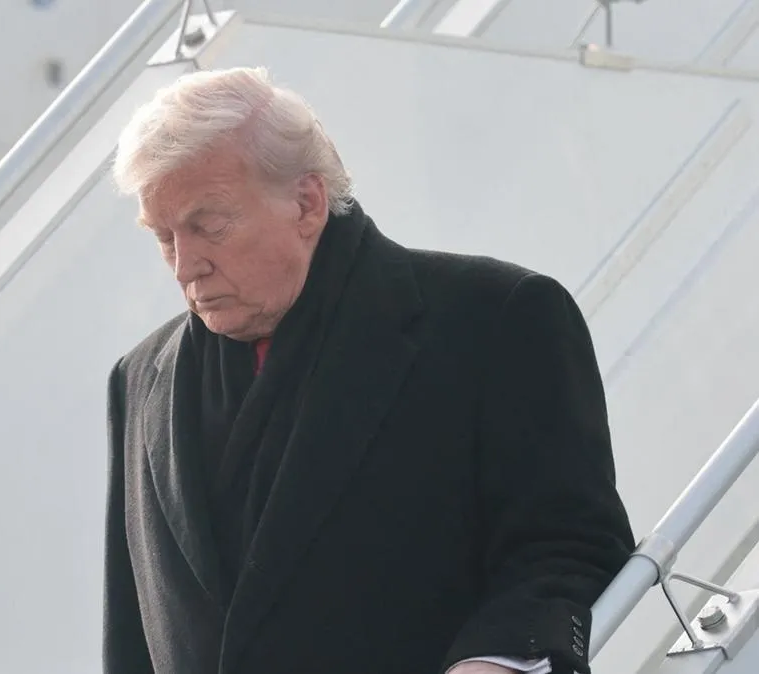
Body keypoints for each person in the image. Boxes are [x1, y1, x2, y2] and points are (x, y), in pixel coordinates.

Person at [102, 66, 635, 674]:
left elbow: (569, 544)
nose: (185, 265)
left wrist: (500, 659)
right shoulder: (137, 379)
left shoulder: (496, 318)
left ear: (307, 203)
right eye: (165, 237)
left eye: (209, 226)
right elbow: (131, 639)